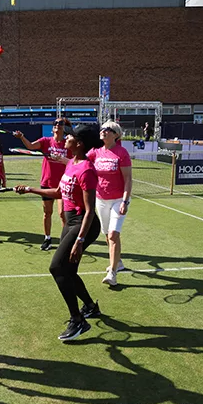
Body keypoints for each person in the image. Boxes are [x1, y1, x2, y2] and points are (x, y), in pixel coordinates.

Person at [14, 124, 103, 341]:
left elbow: (90, 210)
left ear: (79, 144)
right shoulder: (71, 163)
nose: (66, 139)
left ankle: (77, 319)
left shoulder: (86, 170)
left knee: (57, 267)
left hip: (84, 224)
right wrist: (30, 189)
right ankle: (90, 307)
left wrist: (79, 240)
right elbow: (58, 192)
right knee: (68, 271)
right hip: (71, 222)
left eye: (70, 136)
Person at [13, 117, 72, 251]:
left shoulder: (68, 144)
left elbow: (74, 162)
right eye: (55, 123)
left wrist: (61, 158)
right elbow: (30, 146)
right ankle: (47, 238)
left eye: (60, 123)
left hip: (63, 184)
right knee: (47, 213)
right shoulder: (46, 141)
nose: (57, 125)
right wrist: (22, 137)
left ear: (64, 128)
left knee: (63, 214)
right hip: (47, 182)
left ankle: (65, 241)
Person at [88, 120, 132, 287]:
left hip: (118, 199)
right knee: (107, 235)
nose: (103, 131)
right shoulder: (95, 152)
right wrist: (61, 159)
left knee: (113, 234)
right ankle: (118, 262)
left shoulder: (121, 153)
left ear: (115, 135)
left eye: (108, 129)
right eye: (102, 129)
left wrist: (125, 201)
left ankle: (112, 273)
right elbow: (79, 162)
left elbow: (128, 179)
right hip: (101, 199)